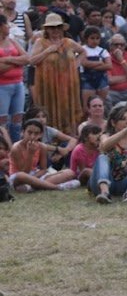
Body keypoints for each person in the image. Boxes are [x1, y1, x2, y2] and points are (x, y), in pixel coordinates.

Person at [28, 12, 83, 135]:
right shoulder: (40, 42)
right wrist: (47, 51)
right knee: (48, 110)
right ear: (47, 29)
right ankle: (50, 137)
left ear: (62, 28)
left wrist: (75, 65)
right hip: (48, 85)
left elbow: (83, 51)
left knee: (67, 110)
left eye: (58, 27)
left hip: (67, 85)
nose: (56, 30)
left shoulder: (68, 42)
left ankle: (69, 138)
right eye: (52, 27)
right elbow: (31, 61)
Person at [8, 117, 80, 193]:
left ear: (40, 135)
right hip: (19, 178)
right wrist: (30, 154)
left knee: (70, 173)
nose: (32, 136)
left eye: (36, 134)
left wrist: (34, 179)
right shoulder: (16, 148)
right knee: (21, 175)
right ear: (23, 132)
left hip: (35, 175)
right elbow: (24, 172)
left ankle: (35, 186)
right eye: (29, 133)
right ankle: (57, 187)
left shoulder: (42, 146)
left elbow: (43, 169)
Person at [0, 14, 27, 142]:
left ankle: (16, 145)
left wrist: (7, 59)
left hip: (18, 83)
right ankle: (4, 147)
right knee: (2, 119)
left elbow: (27, 58)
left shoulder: (12, 40)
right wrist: (17, 62)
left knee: (17, 118)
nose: (9, 27)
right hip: (2, 86)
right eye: (7, 24)